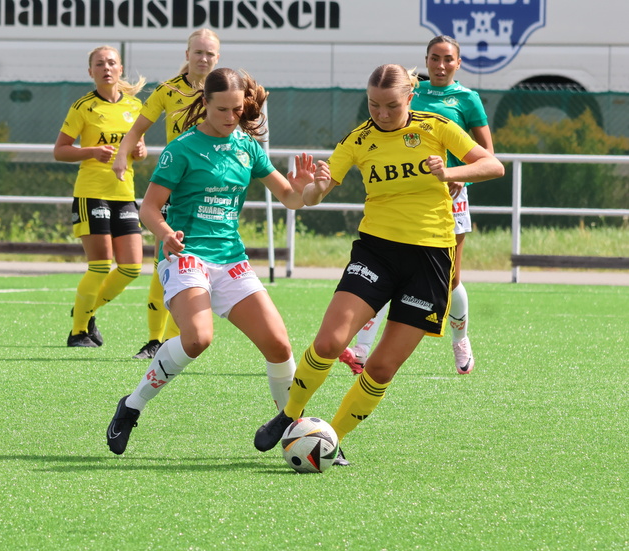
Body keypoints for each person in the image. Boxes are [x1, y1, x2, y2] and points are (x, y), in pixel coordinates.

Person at [253, 64, 503, 465]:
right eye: (373, 105)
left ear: (408, 98)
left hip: (431, 259)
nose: (382, 114)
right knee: (330, 342)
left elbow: (493, 165)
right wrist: (307, 189)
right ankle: (289, 414)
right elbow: (316, 194)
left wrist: (450, 171)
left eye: (390, 105)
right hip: (376, 252)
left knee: (383, 368)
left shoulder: (435, 127)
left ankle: (331, 438)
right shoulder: (359, 138)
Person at [106, 67, 320, 455]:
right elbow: (149, 209)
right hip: (186, 255)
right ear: (204, 103)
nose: (230, 117)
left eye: (237, 109)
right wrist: (166, 233)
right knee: (198, 338)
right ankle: (131, 407)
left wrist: (305, 189)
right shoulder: (182, 148)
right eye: (221, 109)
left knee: (279, 345)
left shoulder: (248, 146)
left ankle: (294, 427)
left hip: (230, 258)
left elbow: (289, 197)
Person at [338, 35, 493, 376]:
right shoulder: (409, 93)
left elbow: (488, 157)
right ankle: (362, 349)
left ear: (458, 63)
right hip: (402, 197)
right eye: (434, 58)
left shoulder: (467, 99)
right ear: (425, 61)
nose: (440, 65)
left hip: (450, 196)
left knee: (451, 279)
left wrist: (457, 176)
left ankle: (460, 339)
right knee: (385, 270)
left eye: (448, 59)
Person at [111, 29, 221, 360]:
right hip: (177, 187)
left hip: (213, 189)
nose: (203, 58)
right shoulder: (168, 90)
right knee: (166, 259)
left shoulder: (225, 91)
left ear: (218, 58)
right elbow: (137, 129)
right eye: (198, 51)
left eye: (210, 54)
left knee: (203, 261)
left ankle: (180, 339)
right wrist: (121, 155)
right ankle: (155, 340)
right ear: (187, 54)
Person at [54, 45, 147, 348]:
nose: (106, 68)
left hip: (125, 193)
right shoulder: (83, 107)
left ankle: (87, 309)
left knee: (132, 267)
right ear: (90, 72)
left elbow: (138, 147)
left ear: (121, 69)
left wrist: (140, 151)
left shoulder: (135, 107)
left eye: (111, 63)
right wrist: (91, 151)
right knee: (100, 265)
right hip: (91, 194)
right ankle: (79, 331)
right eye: (99, 64)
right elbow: (60, 150)